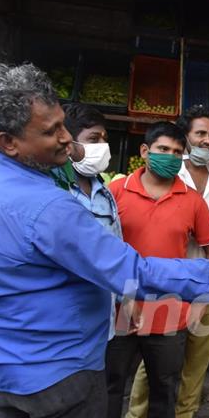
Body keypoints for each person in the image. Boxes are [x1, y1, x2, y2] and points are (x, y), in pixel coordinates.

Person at [0, 63, 209, 418]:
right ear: (9, 142)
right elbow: (135, 272)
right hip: (57, 373)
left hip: (10, 366)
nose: (66, 139)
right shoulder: (50, 206)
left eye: (63, 125)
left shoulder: (22, 184)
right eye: (51, 132)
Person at [121, 106, 209, 418]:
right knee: (156, 360)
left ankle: (185, 416)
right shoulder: (168, 176)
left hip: (208, 278)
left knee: (198, 356)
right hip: (167, 279)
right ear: (186, 137)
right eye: (200, 133)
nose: (207, 140)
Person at [62, 103, 123, 340]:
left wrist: (124, 299)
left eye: (104, 139)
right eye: (93, 139)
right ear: (68, 142)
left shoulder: (104, 193)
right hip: (65, 320)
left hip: (101, 320)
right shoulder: (56, 190)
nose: (102, 147)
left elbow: (117, 248)